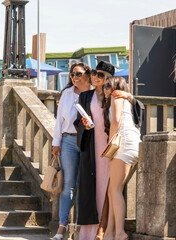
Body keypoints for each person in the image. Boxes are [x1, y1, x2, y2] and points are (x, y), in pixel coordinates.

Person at [73, 61, 115, 240]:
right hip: (90, 147)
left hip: (108, 146)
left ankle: (105, 229)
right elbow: (77, 121)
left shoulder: (112, 96)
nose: (96, 77)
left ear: (108, 79)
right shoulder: (85, 96)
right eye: (95, 73)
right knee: (90, 188)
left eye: (101, 75)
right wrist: (83, 124)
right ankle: (88, 234)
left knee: (106, 186)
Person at [51, 62, 92, 240]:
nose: (75, 77)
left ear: (87, 75)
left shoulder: (93, 93)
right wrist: (56, 143)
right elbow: (59, 120)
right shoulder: (66, 94)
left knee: (84, 184)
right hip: (68, 140)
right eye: (72, 74)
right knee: (68, 184)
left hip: (87, 141)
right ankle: (62, 227)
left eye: (78, 73)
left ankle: (80, 228)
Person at [102, 77, 140, 240]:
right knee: (112, 191)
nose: (105, 89)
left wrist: (110, 145)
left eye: (108, 85)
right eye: (104, 86)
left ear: (117, 87)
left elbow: (116, 121)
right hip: (131, 144)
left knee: (115, 190)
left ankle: (120, 232)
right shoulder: (127, 100)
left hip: (123, 144)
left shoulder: (116, 97)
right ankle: (110, 232)